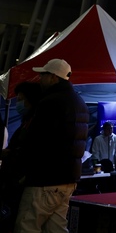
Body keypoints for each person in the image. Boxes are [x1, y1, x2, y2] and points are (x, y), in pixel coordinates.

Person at [14, 58, 88, 233]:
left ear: (54, 77)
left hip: (46, 179)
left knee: (26, 226)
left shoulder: (51, 102)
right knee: (56, 228)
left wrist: (24, 170)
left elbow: (39, 141)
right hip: (68, 179)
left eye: (43, 75)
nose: (40, 79)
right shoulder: (80, 103)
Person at [0, 82, 42, 233]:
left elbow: (28, 150)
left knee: (22, 223)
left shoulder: (35, 122)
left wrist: (9, 153)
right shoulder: (27, 121)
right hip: (16, 179)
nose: (18, 103)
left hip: (21, 181)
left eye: (20, 99)